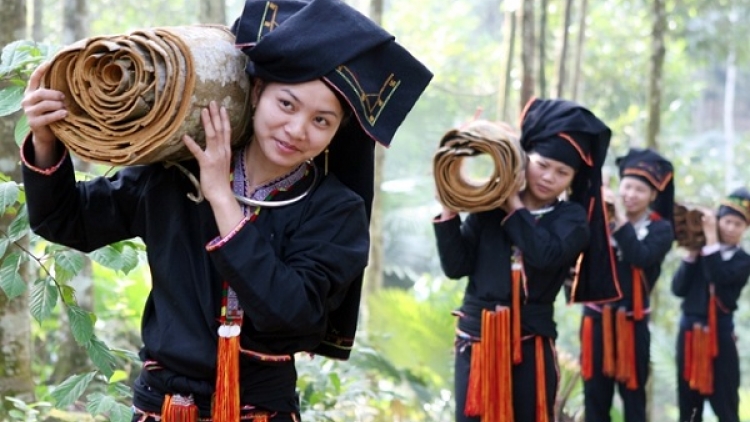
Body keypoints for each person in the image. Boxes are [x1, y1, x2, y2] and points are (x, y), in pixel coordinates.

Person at [19, 0, 432, 420]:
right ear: (257, 92)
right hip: (163, 407)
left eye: (321, 121)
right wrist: (45, 140)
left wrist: (221, 197)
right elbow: (66, 220)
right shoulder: (176, 174)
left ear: (336, 131)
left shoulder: (336, 210)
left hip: (260, 408)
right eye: (286, 104)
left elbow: (290, 315)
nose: (297, 130)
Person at [433, 98, 616, 422]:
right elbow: (456, 267)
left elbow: (545, 256)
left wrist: (513, 206)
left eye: (562, 172)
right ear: (524, 157)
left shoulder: (572, 218)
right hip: (478, 339)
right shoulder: (487, 207)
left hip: (531, 343)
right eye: (542, 164)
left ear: (573, 179)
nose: (548, 177)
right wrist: (449, 207)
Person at [580, 148, 675, 422]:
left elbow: (639, 256)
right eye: (627, 187)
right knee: (594, 397)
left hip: (632, 325)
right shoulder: (597, 218)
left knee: (634, 397)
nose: (631, 195)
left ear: (653, 196)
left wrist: (619, 219)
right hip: (596, 320)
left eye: (640, 190)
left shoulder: (661, 229)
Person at [672, 188, 750, 422]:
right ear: (718, 220)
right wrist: (692, 254)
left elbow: (719, 276)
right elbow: (678, 289)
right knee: (688, 403)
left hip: (720, 337)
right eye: (727, 221)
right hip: (689, 334)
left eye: (738, 224)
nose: (731, 228)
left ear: (745, 229)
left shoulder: (743, 261)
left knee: (725, 401)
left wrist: (711, 242)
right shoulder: (702, 252)